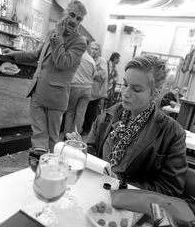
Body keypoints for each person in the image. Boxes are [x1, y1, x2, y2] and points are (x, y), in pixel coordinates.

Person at [67, 55, 187, 198]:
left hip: (130, 207)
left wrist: (120, 183)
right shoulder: (107, 116)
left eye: (136, 90)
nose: (126, 93)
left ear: (154, 94)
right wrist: (81, 151)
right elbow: (94, 152)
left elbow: (170, 188)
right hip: (94, 195)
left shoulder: (172, 133)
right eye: (124, 84)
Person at [3, 0, 87, 152]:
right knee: (38, 136)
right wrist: (14, 54)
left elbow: (62, 63)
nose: (74, 21)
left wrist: (59, 37)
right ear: (65, 14)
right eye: (72, 15)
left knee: (51, 139)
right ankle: (40, 166)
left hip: (55, 98)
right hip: (37, 91)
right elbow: (36, 54)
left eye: (79, 19)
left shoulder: (80, 42)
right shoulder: (51, 33)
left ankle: (50, 169)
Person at [63, 37, 96, 135]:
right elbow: (93, 75)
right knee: (81, 113)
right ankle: (75, 136)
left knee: (70, 112)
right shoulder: (91, 60)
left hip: (75, 86)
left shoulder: (75, 56)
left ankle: (66, 135)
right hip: (88, 88)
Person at [82, 42, 108, 135]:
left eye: (96, 49)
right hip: (87, 89)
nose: (93, 51)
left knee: (90, 111)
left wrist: (92, 72)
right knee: (83, 110)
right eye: (92, 48)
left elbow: (103, 75)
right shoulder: (87, 59)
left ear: (99, 51)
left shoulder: (102, 61)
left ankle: (86, 129)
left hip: (96, 92)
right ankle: (82, 127)